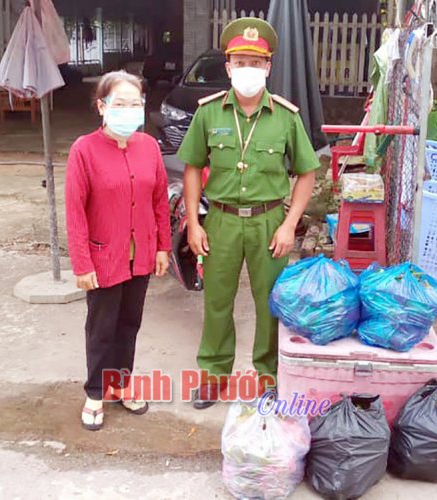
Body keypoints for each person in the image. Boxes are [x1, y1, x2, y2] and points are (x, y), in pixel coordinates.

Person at [177, 17, 321, 410]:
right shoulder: (208, 113)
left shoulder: (286, 117)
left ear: (268, 67)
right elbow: (191, 167)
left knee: (270, 303)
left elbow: (307, 172)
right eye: (240, 62)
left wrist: (290, 225)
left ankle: (269, 378)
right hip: (220, 221)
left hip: (269, 223)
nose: (248, 70)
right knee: (217, 302)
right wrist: (194, 222)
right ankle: (213, 375)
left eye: (256, 63)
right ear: (228, 67)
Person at [65, 70, 172, 431]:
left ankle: (122, 383)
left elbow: (160, 200)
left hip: (140, 256)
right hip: (102, 257)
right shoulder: (84, 150)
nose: (129, 110)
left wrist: (162, 247)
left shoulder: (148, 147)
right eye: (120, 103)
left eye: (136, 103)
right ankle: (95, 392)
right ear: (102, 106)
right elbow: (75, 211)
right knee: (101, 328)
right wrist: (82, 263)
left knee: (129, 324)